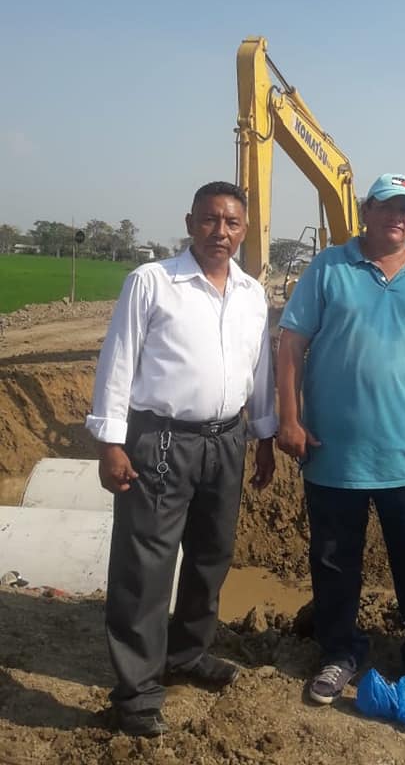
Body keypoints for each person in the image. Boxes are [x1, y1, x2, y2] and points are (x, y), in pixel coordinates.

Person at [277, 173, 405, 722]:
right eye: (387, 206)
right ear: (366, 211)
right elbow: (291, 343)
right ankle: (339, 653)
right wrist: (289, 418)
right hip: (334, 455)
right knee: (335, 564)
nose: (397, 217)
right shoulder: (328, 268)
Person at [86, 181, 277, 738]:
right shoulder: (152, 282)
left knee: (211, 554)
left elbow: (260, 370)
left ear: (245, 230)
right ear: (190, 222)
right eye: (210, 220)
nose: (221, 231)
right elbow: (118, 360)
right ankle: (137, 692)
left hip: (227, 440)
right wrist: (110, 443)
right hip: (162, 440)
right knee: (145, 566)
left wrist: (264, 436)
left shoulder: (251, 293)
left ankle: (187, 653)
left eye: (232, 223)